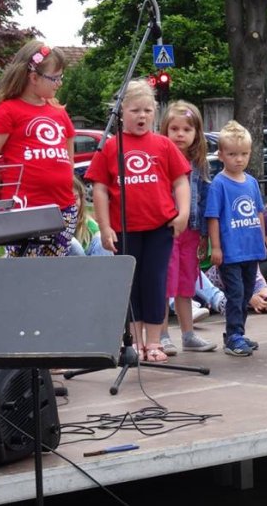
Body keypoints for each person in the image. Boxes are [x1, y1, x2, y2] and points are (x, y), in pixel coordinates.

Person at [86, 79, 190, 362]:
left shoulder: (164, 145)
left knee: (154, 282)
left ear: (154, 112)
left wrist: (183, 213)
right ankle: (134, 342)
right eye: (134, 110)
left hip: (159, 227)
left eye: (147, 110)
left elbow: (180, 181)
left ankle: (155, 342)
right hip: (125, 229)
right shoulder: (110, 147)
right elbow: (100, 189)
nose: (141, 116)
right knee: (130, 284)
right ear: (121, 112)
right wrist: (105, 227)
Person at [0, 40, 76, 256]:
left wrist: (68, 186)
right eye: (55, 77)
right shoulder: (7, 111)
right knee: (22, 271)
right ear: (33, 77)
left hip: (63, 208)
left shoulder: (58, 112)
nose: (59, 83)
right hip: (23, 209)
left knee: (53, 273)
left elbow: (68, 149)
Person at [158, 101, 216, 355]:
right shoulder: (160, 160)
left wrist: (204, 234)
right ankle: (160, 334)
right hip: (167, 232)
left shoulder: (200, 164)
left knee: (185, 285)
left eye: (186, 130)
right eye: (174, 128)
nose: (180, 134)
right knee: (164, 284)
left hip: (191, 232)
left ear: (196, 134)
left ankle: (188, 334)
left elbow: (203, 199)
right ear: (165, 130)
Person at [206, 120, 266, 357]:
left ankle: (237, 332)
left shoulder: (251, 183)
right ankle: (233, 335)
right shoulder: (219, 184)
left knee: (248, 292)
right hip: (231, 252)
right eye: (232, 154)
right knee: (236, 293)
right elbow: (213, 217)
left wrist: (261, 242)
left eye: (243, 154)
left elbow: (259, 212)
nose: (238, 159)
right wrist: (216, 247)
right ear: (221, 155)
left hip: (251, 249)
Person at [67, 176, 113, 256]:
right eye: (66, 198)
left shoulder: (91, 228)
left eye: (75, 198)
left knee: (102, 243)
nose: (72, 203)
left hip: (85, 265)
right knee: (72, 244)